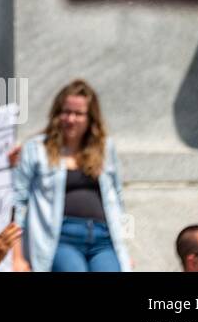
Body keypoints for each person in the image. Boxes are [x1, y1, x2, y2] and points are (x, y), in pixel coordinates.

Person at [12, 79, 132, 272]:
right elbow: (16, 201)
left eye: (78, 114)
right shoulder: (36, 148)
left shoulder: (105, 148)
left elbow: (119, 199)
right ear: (56, 114)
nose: (71, 119)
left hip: (103, 238)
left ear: (91, 118)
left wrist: (126, 249)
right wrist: (16, 257)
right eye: (66, 112)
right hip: (59, 238)